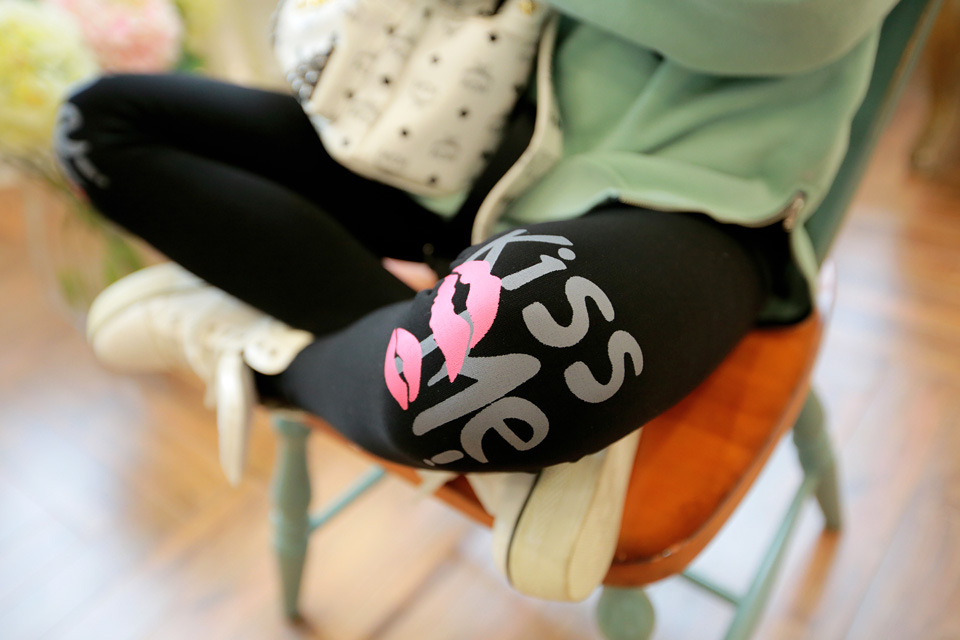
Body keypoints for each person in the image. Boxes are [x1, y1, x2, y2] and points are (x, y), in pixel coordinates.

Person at [56, 0, 894, 476]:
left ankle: (270, 362)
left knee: (530, 331)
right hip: (449, 151)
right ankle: (420, 377)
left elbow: (795, 22)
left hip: (687, 198)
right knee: (101, 123)